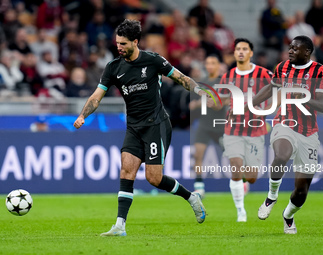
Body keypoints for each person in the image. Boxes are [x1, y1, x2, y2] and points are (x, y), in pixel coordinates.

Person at [73, 19, 206, 237]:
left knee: (154, 178)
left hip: (157, 125)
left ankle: (190, 196)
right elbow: (97, 97)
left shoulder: (153, 61)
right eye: (117, 43)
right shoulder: (113, 68)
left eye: (123, 43)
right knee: (126, 170)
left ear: (135, 42)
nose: (119, 47)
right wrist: (82, 115)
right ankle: (119, 226)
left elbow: (180, 77)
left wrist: (199, 91)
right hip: (134, 127)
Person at [232, 35, 323, 233]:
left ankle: (288, 215)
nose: (291, 51)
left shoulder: (321, 71)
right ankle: (271, 196)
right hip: (284, 122)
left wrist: (301, 95)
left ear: (307, 52)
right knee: (281, 156)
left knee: (301, 191)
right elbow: (272, 87)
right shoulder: (282, 67)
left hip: (309, 132)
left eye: (296, 48)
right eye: (290, 47)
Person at [214, 38, 272, 222]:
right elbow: (221, 100)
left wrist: (268, 107)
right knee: (236, 169)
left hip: (255, 130)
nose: (240, 52)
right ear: (234, 53)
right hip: (233, 129)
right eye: (238, 49)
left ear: (251, 53)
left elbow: (277, 90)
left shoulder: (263, 73)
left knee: (252, 177)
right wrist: (213, 102)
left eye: (244, 49)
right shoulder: (228, 76)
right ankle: (241, 211)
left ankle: (245, 185)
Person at [189, 55, 228, 198]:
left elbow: (223, 103)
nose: (210, 66)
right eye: (208, 63)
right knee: (198, 155)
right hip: (204, 124)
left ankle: (242, 181)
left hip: (220, 125)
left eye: (213, 63)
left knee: (232, 156)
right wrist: (200, 103)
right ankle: (199, 187)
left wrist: (214, 101)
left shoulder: (224, 82)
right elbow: (192, 104)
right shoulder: (201, 83)